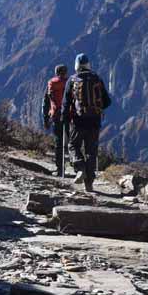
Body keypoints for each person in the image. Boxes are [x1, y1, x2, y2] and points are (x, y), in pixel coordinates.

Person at [62, 53, 111, 191]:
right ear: (88, 64)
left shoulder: (72, 80)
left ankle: (79, 167)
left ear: (76, 66)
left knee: (73, 145)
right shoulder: (97, 79)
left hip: (78, 121)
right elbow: (107, 101)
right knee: (91, 152)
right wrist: (97, 109)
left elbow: (66, 103)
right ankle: (89, 183)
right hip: (94, 121)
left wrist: (64, 118)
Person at [42, 64, 69, 177]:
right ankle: (77, 167)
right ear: (65, 72)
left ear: (56, 72)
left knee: (59, 142)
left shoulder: (51, 83)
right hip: (70, 116)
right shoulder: (70, 82)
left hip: (56, 116)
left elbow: (45, 102)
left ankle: (60, 169)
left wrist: (45, 119)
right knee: (71, 142)